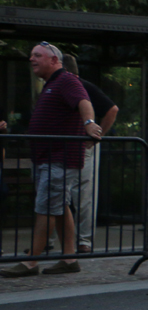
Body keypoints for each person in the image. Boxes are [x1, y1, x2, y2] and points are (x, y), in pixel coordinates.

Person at [2, 42, 103, 278]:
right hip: (48, 158)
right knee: (59, 207)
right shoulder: (52, 84)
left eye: (37, 55)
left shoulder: (67, 80)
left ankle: (31, 262)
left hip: (59, 158)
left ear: (54, 60)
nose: (32, 59)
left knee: (46, 207)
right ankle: (69, 259)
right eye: (31, 55)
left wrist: (89, 124)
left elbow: (84, 102)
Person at [62, 54, 118, 253]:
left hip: (81, 145)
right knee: (69, 194)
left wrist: (95, 137)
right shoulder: (75, 86)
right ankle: (76, 240)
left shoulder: (80, 86)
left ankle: (83, 240)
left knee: (82, 194)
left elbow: (112, 109)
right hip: (70, 145)